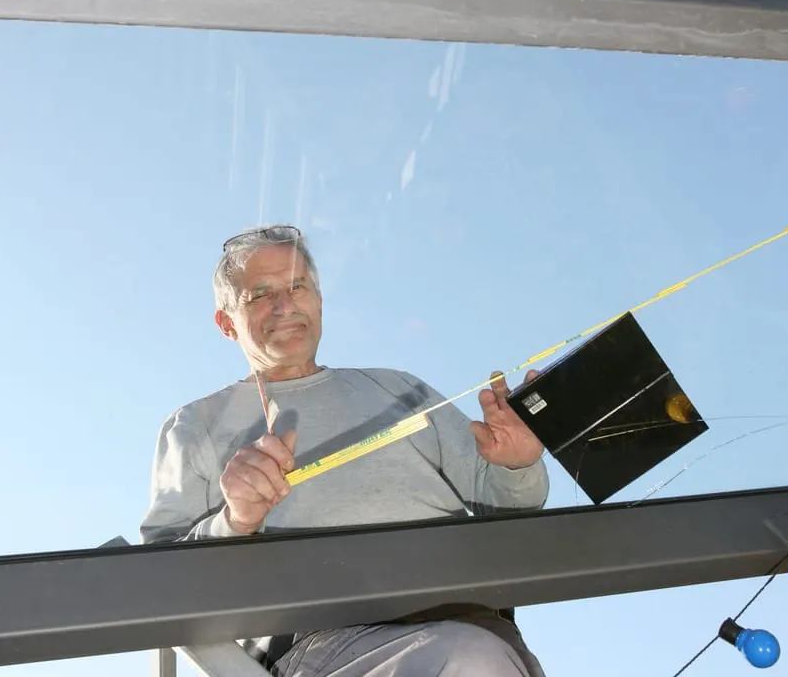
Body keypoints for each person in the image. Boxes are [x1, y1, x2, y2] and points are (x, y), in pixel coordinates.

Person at [139, 224, 550, 676]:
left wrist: (518, 464)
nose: (285, 304)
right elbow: (161, 583)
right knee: (470, 659)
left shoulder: (400, 389)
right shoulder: (194, 426)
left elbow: (509, 507)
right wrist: (234, 522)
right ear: (226, 323)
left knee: (474, 652)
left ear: (318, 300)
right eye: (259, 294)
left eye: (299, 286)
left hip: (468, 619)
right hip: (321, 644)